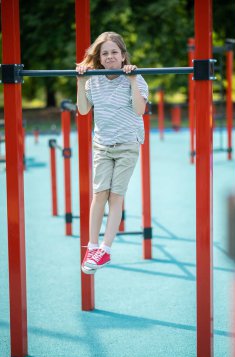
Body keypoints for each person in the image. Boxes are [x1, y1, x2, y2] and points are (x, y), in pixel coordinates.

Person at [76, 31, 148, 275]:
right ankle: (92, 246)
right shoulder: (93, 79)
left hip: (127, 144)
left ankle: (105, 248)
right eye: (104, 53)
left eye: (114, 52)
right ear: (99, 57)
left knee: (115, 196)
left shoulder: (136, 78)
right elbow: (84, 111)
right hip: (102, 145)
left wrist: (132, 81)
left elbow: (139, 110)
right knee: (99, 194)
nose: (109, 57)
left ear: (123, 55)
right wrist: (80, 82)